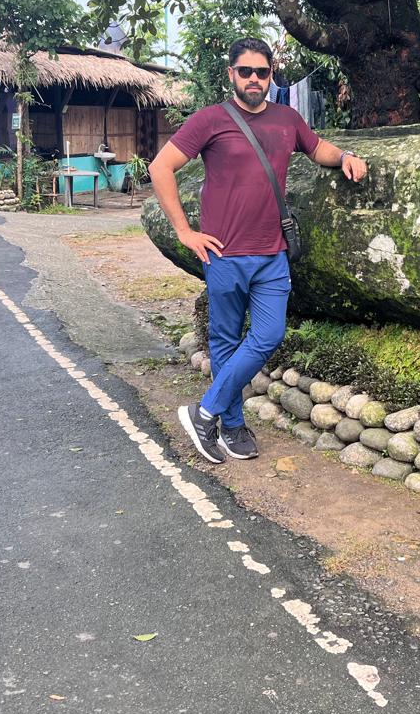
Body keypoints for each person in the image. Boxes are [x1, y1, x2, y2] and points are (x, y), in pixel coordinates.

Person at [149, 37, 368, 463]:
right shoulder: (210, 120)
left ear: (271, 75)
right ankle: (230, 426)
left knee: (268, 335)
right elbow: (161, 167)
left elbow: (316, 146)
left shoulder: (287, 119)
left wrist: (345, 156)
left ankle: (204, 412)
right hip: (223, 255)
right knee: (226, 341)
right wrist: (184, 231)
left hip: (272, 253)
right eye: (245, 71)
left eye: (262, 72)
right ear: (231, 74)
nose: (254, 79)